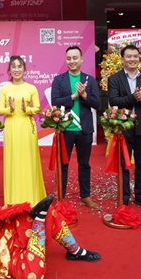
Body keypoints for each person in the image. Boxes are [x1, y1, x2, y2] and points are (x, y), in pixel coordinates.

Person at [107, 44, 141, 209]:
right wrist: (133, 97)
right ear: (122, 60)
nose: (132, 59)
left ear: (139, 59)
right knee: (123, 165)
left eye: (135, 56)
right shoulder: (114, 79)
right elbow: (114, 101)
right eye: (129, 56)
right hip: (124, 128)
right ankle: (124, 198)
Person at [51, 46, 101, 210]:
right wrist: (73, 96)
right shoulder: (59, 80)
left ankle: (85, 196)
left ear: (81, 59)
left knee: (84, 164)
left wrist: (85, 95)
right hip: (65, 130)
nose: (72, 61)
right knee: (62, 164)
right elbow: (55, 101)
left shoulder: (89, 79)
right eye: (69, 58)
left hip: (84, 130)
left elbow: (97, 103)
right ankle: (60, 196)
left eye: (75, 58)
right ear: (66, 60)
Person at [0, 56, 46, 205]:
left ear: (25, 69)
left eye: (19, 66)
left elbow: (38, 108)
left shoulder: (31, 88)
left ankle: (32, 197)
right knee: (14, 160)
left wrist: (27, 109)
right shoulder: (5, 89)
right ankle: (13, 199)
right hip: (11, 126)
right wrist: (10, 109)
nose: (17, 69)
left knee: (28, 160)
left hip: (27, 126)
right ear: (9, 70)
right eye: (13, 66)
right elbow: (0, 110)